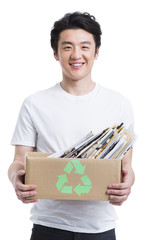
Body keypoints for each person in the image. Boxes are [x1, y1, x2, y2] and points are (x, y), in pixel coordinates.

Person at [8, 12, 135, 240]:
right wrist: (17, 177)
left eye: (85, 46)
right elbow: (19, 161)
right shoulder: (34, 104)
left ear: (97, 52)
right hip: (48, 226)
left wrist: (128, 184)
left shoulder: (119, 104)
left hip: (100, 229)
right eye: (67, 47)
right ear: (55, 53)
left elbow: (126, 166)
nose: (76, 55)